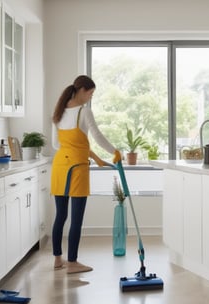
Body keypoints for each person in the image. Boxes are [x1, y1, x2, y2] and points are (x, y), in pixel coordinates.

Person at [50, 75, 121, 274]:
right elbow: (97, 136)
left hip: (60, 168)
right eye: (90, 93)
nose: (90, 97)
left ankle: (58, 259)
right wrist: (115, 151)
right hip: (77, 169)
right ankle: (72, 263)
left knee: (60, 215)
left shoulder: (58, 112)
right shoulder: (84, 112)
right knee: (77, 218)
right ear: (81, 90)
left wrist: (95, 157)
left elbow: (58, 145)